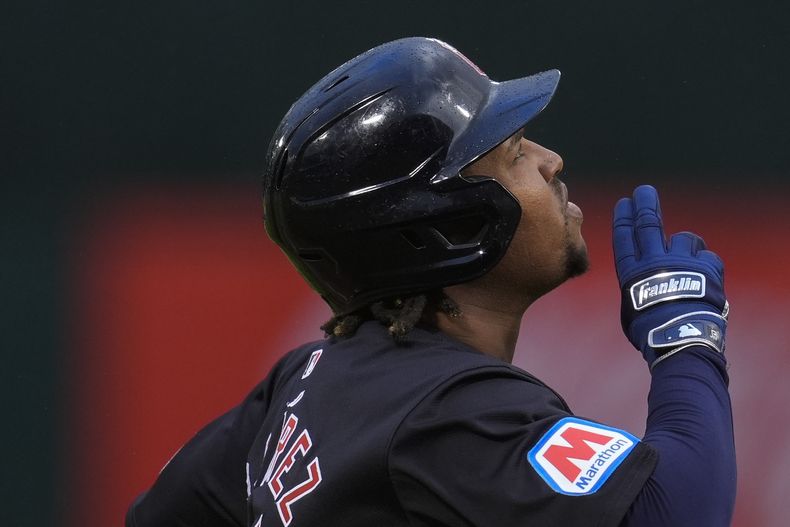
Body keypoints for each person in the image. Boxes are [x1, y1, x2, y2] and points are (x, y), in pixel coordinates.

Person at [126, 37, 735, 527]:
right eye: (515, 152)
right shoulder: (447, 412)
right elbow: (674, 513)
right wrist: (686, 345)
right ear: (447, 223)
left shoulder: (306, 380)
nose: (552, 161)